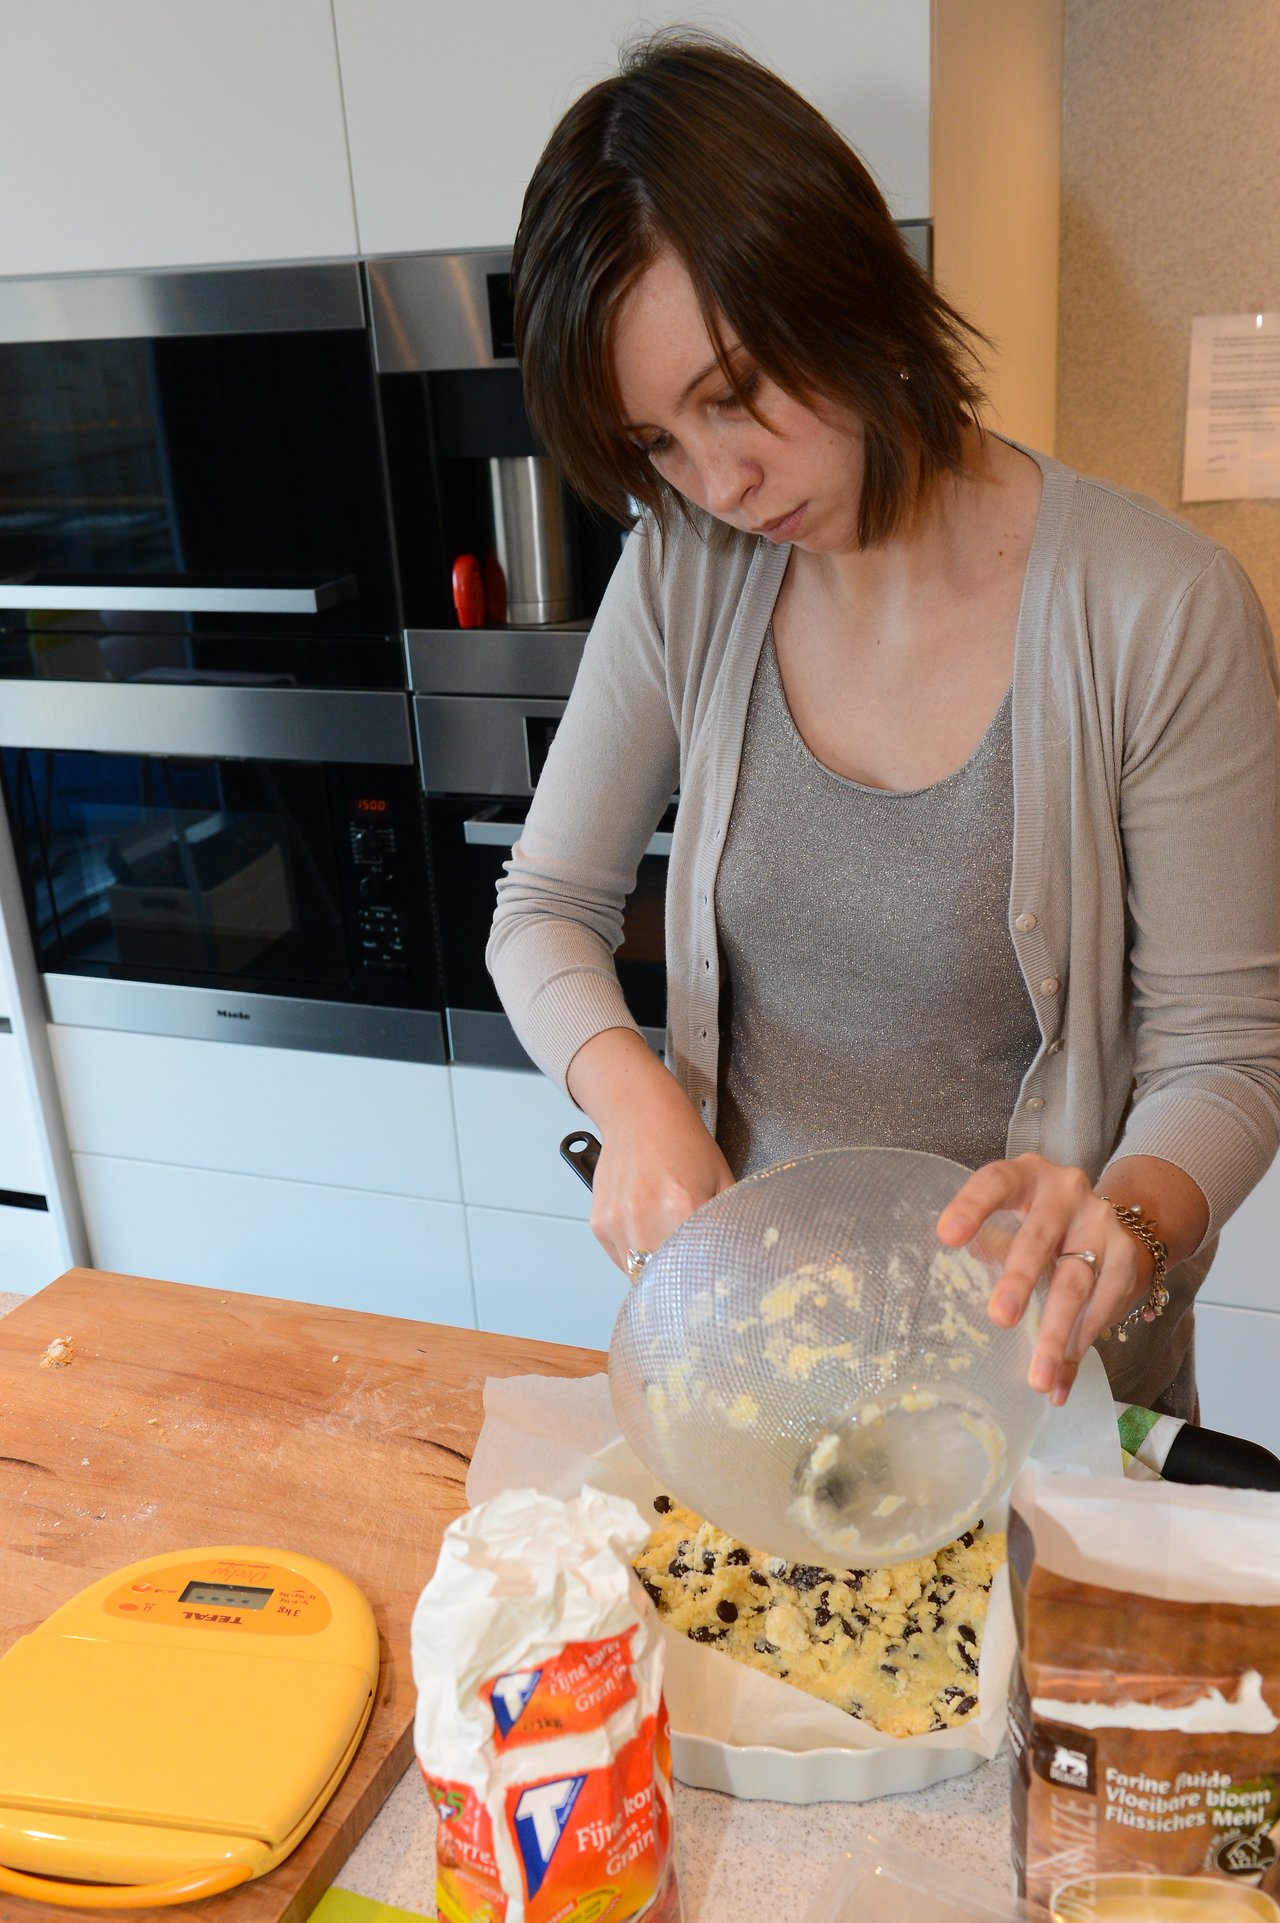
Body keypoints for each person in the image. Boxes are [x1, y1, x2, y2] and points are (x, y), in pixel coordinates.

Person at [487, 31, 1280, 1420]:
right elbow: (543, 906)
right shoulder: (685, 570)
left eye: (736, 395)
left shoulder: (1158, 607)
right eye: (661, 441)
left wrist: (1131, 1218)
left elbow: (1232, 1052)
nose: (719, 479)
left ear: (851, 289)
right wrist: (639, 1104)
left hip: (1039, 1379)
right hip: (755, 1356)